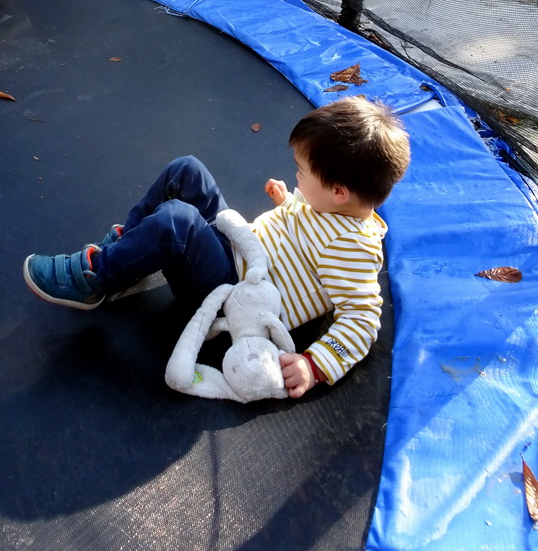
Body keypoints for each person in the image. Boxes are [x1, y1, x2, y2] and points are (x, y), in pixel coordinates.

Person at [23, 96, 411, 398]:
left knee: (178, 221)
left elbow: (363, 319)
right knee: (187, 169)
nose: (296, 174)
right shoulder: (332, 206)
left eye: (302, 172)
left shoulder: (353, 250)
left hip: (231, 294)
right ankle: (127, 248)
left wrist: (315, 365)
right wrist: (289, 202)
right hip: (240, 248)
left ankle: (97, 278)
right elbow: (309, 226)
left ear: (339, 192)